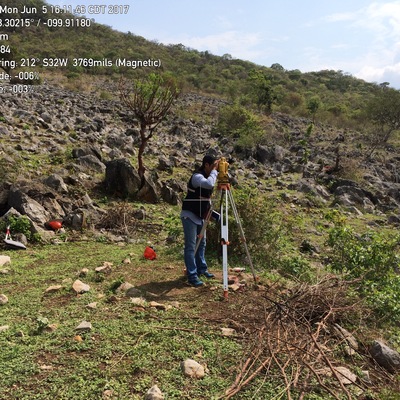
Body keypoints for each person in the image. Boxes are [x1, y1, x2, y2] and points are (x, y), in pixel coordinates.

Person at [181, 155, 219, 287]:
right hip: (189, 215)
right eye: (213, 165)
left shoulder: (209, 176)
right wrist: (215, 171)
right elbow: (208, 184)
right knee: (191, 246)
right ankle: (192, 275)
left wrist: (212, 213)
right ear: (206, 165)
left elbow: (206, 199)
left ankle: (202, 269)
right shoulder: (197, 176)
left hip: (200, 215)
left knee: (201, 243)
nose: (215, 169)